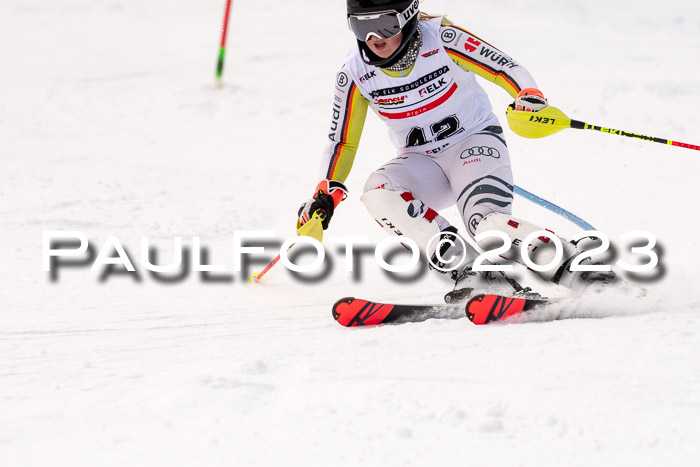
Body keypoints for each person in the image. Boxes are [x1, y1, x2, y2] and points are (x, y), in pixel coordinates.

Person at [298, 0, 611, 294]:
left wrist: (527, 96)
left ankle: (582, 269)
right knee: (378, 191)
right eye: (359, 27)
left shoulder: (441, 37)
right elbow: (341, 141)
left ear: (408, 17)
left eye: (384, 24)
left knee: (487, 225)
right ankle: (477, 274)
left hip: (473, 144)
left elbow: (505, 67)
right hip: (422, 163)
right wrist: (324, 195)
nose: (373, 39)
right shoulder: (354, 73)